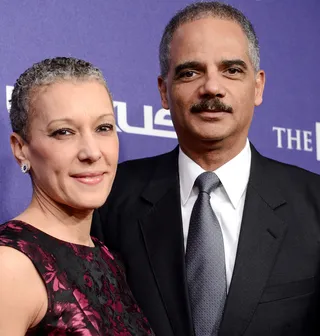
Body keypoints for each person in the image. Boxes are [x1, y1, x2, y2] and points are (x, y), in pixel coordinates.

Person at [92, 2, 320, 336]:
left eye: (232, 70)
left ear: (257, 86)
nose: (211, 87)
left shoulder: (314, 203)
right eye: (190, 72)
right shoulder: (109, 198)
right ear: (163, 91)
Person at [0, 57, 154, 336]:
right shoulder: (9, 267)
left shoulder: (109, 258)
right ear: (21, 148)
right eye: (64, 132)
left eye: (103, 128)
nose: (92, 152)